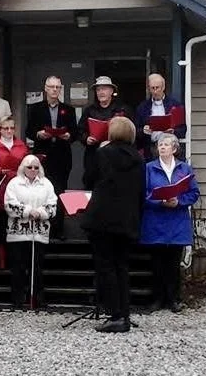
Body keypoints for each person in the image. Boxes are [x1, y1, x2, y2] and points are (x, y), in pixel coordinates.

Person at [80, 117, 144, 333]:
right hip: (127, 220)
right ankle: (123, 313)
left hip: (103, 219)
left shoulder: (103, 154)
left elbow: (88, 179)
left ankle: (114, 313)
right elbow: (141, 192)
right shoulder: (138, 158)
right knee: (122, 267)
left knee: (105, 267)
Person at [140, 133, 200, 313]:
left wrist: (179, 201)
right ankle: (157, 299)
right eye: (160, 145)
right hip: (155, 221)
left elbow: (194, 193)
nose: (162, 147)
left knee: (173, 264)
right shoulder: (148, 168)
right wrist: (160, 201)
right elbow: (142, 194)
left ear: (174, 148)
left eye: (166, 144)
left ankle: (173, 299)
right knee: (156, 263)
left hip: (176, 222)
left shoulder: (184, 169)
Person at [25, 75, 77, 239]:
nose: (55, 90)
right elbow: (29, 131)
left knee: (59, 192)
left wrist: (69, 135)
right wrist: (39, 134)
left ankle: (58, 229)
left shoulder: (68, 109)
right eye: (52, 87)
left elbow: (75, 132)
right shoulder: (35, 108)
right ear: (46, 88)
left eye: (58, 87)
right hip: (43, 156)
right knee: (41, 192)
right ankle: (42, 228)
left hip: (62, 155)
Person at [4, 154, 57, 309]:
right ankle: (17, 299)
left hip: (39, 233)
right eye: (29, 167)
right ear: (23, 168)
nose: (33, 170)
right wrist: (28, 211)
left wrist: (40, 212)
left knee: (37, 268)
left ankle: (37, 299)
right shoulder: (14, 183)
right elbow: (9, 204)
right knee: (18, 268)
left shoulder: (47, 184)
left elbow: (53, 205)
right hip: (18, 234)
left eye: (36, 167)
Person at [0, 116, 29, 270]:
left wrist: (19, 171)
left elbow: (27, 164)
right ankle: (1, 262)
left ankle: (16, 261)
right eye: (5, 128)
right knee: (0, 225)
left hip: (18, 187)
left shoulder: (21, 145)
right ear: (0, 130)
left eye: (11, 128)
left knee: (16, 223)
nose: (9, 131)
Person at [77, 76, 134, 188]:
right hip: (94, 156)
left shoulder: (122, 109)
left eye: (104, 89)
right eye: (98, 90)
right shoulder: (89, 110)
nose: (101, 92)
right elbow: (80, 130)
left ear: (112, 91)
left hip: (116, 156)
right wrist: (86, 138)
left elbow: (131, 132)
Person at [135, 73, 186, 160]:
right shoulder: (143, 107)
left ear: (163, 87)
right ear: (149, 89)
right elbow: (136, 130)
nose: (155, 91)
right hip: (151, 148)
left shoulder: (175, 105)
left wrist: (173, 131)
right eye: (152, 88)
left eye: (157, 88)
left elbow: (183, 129)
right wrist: (143, 130)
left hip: (170, 147)